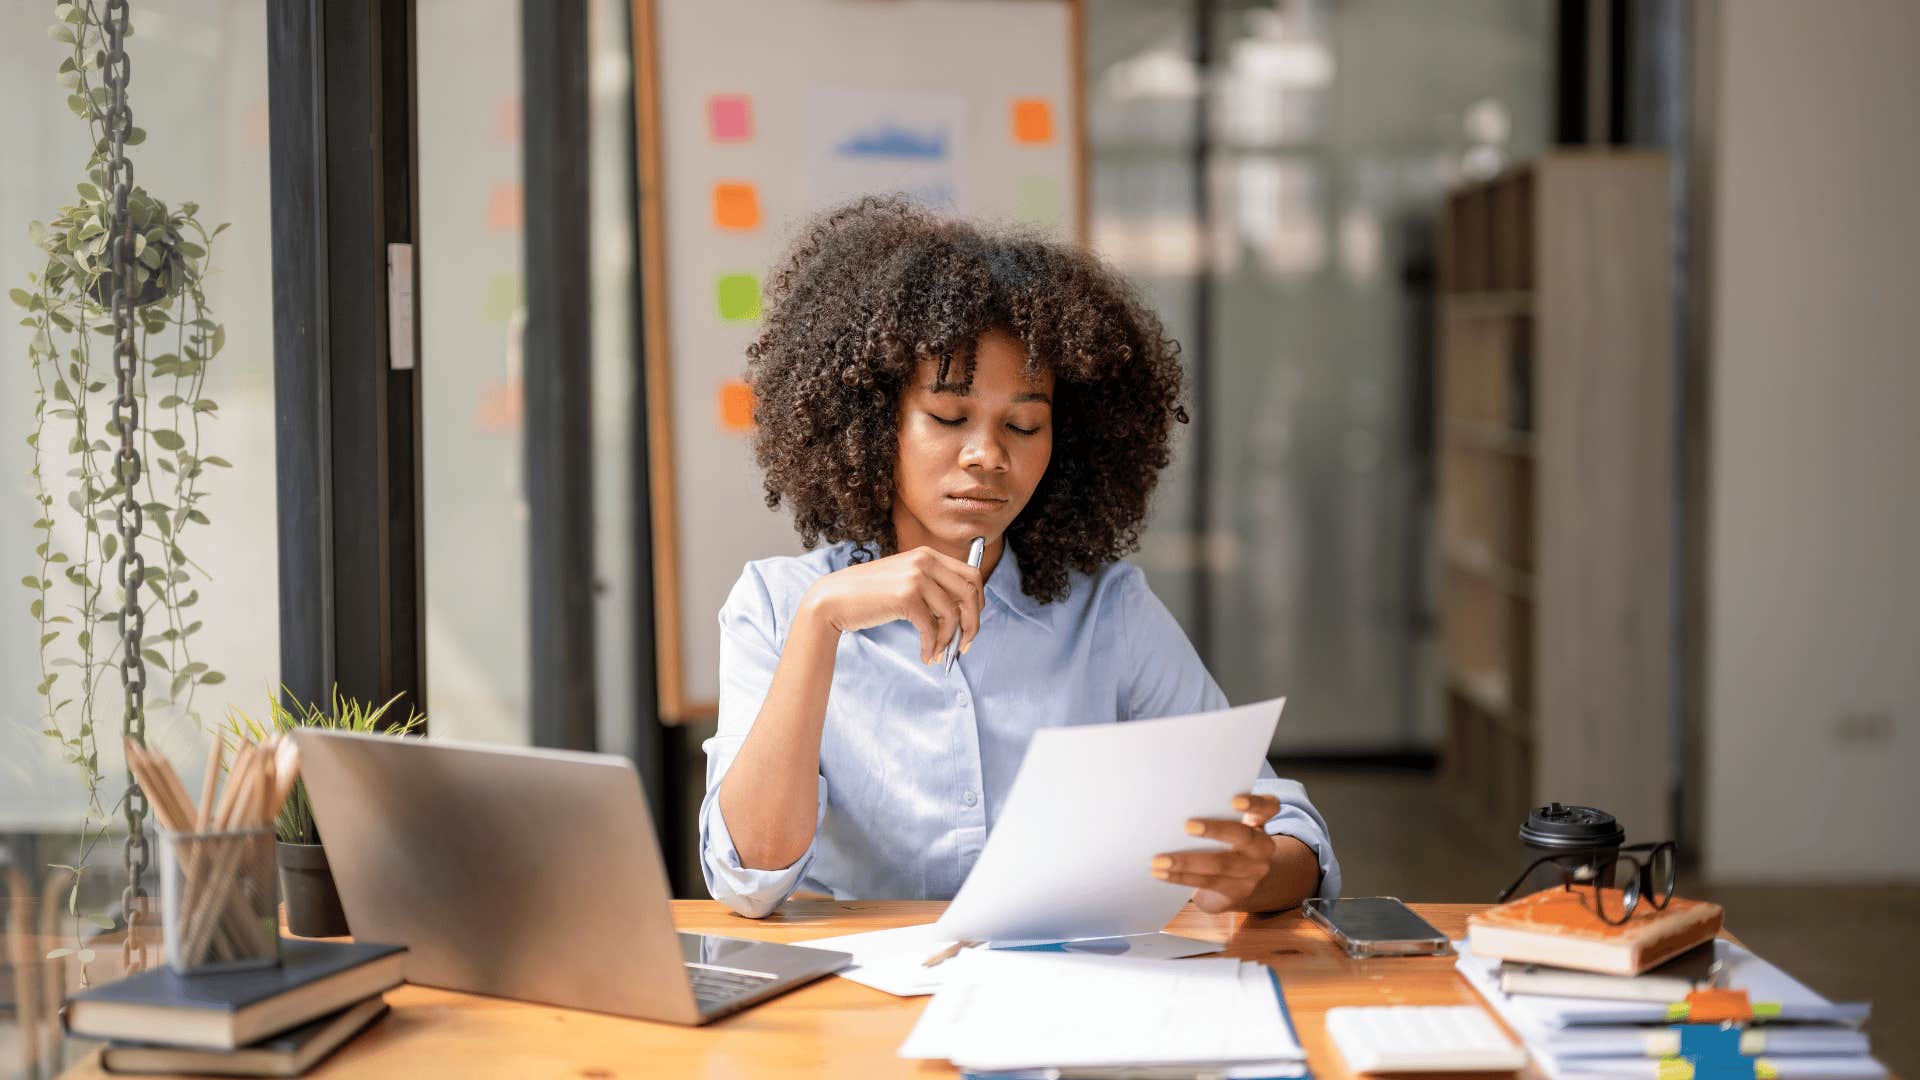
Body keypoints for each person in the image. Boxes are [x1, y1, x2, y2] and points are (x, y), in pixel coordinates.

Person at [701, 197, 1340, 919]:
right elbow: (748, 880)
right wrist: (821, 622)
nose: (988, 455)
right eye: (948, 417)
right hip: (847, 1008)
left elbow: (1285, 828)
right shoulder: (780, 605)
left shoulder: (1108, 612)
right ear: (876, 421)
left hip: (1065, 992)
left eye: (1025, 424)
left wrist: (1262, 872)